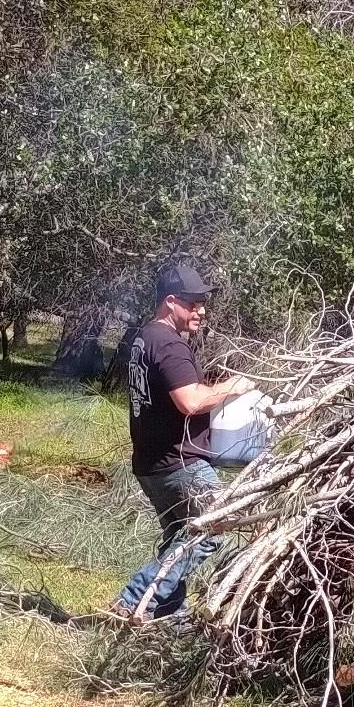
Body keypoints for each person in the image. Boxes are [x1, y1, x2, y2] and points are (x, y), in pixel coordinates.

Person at [110, 262, 252, 624]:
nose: (201, 311)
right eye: (193, 303)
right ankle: (134, 597)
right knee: (211, 530)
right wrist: (231, 387)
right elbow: (189, 401)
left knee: (179, 535)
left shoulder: (145, 337)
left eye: (203, 303)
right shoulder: (170, 344)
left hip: (150, 463)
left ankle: (172, 615)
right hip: (180, 464)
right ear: (170, 301)